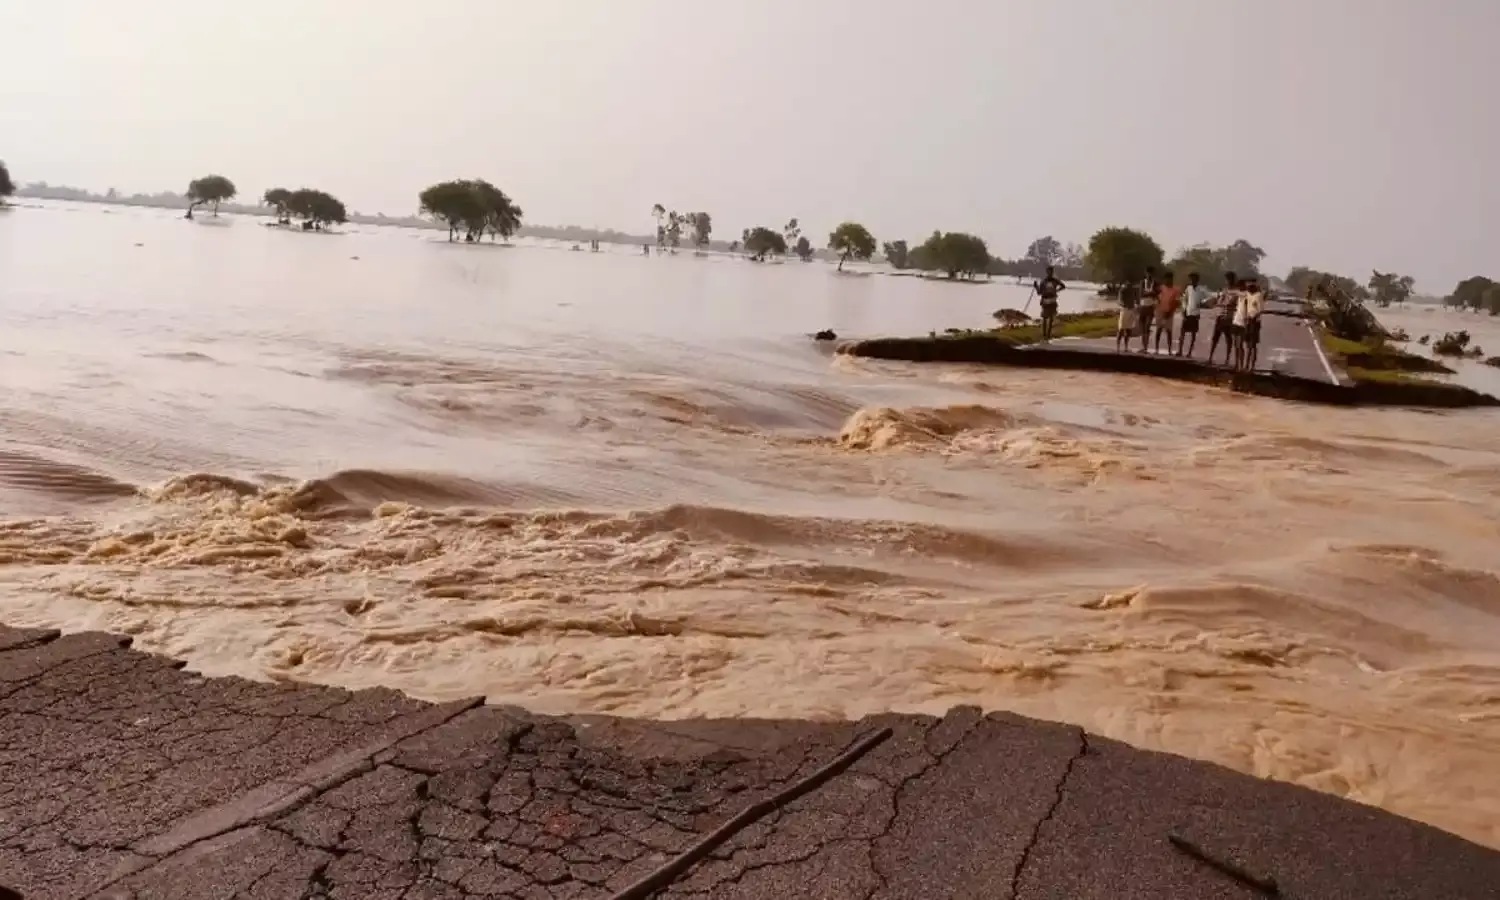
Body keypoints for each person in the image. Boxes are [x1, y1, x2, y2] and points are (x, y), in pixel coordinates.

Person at [1209, 271, 1239, 365]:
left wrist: (1222, 302)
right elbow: (1220, 301)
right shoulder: (1225, 290)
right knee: (1215, 338)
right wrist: (1220, 301)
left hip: (1229, 317)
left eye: (1229, 279)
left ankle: (1227, 359)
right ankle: (1210, 357)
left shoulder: (1236, 292)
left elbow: (1229, 303)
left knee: (1228, 339)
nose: (1227, 281)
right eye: (1227, 279)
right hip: (1221, 315)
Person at [1177, 271, 1210, 358]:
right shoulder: (1188, 288)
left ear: (1197, 280)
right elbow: (1184, 299)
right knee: (1182, 333)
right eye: (1191, 279)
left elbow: (1208, 297)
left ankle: (1189, 352)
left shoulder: (1201, 289)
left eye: (1194, 279)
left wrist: (1202, 303)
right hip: (1188, 312)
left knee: (1193, 335)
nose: (1192, 280)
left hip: (1195, 314)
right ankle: (1180, 351)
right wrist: (1183, 310)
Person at [1237, 277, 1266, 370]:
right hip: (1248, 320)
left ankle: (1251, 366)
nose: (1248, 287)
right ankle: (1246, 365)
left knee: (1252, 345)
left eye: (1250, 286)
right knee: (1247, 344)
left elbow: (1261, 310)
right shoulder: (1248, 295)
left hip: (1255, 321)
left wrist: (1253, 317)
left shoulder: (1258, 295)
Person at [1033, 265, 1067, 341]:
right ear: (1046, 272)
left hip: (1052, 301)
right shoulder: (1043, 281)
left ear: (1052, 272)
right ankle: (1044, 335)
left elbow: (1063, 286)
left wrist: (1057, 290)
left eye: (1051, 271)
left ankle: (1048, 335)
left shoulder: (1055, 281)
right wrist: (1036, 286)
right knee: (1045, 318)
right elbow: (1039, 292)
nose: (1050, 273)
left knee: (1051, 318)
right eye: (1048, 271)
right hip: (1045, 301)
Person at [1154, 271, 1180, 355]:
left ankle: (1169, 350)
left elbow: (1177, 302)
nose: (1168, 280)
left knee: (1169, 332)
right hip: (1160, 312)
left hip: (1170, 313)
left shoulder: (1175, 290)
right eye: (1166, 279)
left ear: (1172, 279)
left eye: (1170, 279)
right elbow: (1156, 297)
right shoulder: (1161, 288)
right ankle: (1156, 349)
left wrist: (1170, 311)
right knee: (1159, 330)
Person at [1136, 266, 1160, 352]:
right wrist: (1150, 293)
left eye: (1150, 273)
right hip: (1142, 306)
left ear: (1152, 274)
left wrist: (1148, 293)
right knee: (1142, 328)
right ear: (1145, 273)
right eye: (1147, 273)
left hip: (1150, 307)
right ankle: (1144, 347)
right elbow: (1141, 294)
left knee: (1147, 327)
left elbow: (1156, 294)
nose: (1149, 275)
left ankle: (1145, 347)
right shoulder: (1142, 282)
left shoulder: (1156, 283)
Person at [1115, 280, 1140, 352]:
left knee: (1128, 330)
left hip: (1131, 310)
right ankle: (1118, 347)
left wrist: (1136, 307)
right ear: (1126, 283)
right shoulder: (1122, 290)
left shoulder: (1133, 290)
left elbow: (1137, 300)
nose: (1129, 284)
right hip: (1124, 310)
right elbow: (1119, 300)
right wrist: (1124, 305)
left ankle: (1126, 347)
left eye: (1130, 283)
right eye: (1128, 283)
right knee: (1121, 329)